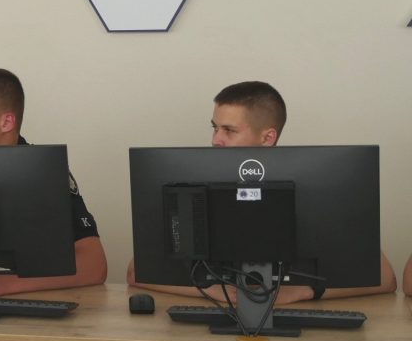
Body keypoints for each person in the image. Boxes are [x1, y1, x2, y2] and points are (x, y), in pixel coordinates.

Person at [127, 81, 396, 302]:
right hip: (214, 325)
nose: (216, 140)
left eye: (229, 130)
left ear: (268, 137)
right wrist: (211, 290)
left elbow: (385, 278)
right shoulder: (195, 184)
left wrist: (304, 291)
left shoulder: (316, 183)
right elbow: (136, 272)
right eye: (215, 128)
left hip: (298, 328)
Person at [0, 67, 107, 296]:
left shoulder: (42, 173)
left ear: (6, 122)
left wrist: (2, 285)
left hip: (25, 305)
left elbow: (94, 266)